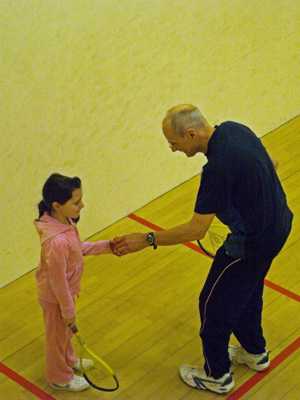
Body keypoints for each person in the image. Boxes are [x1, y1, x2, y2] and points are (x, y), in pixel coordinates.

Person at [112, 104, 293, 394]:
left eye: (174, 142)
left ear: (191, 134)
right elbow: (272, 164)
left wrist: (146, 239)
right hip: (280, 224)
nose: (172, 149)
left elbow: (196, 229)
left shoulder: (216, 169)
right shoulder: (236, 128)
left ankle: (217, 376)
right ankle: (255, 352)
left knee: (212, 305)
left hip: (251, 243)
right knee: (247, 292)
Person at [34, 173, 115, 392]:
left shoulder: (65, 221)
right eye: (76, 202)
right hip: (57, 298)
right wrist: (68, 311)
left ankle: (69, 361)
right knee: (57, 338)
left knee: (64, 334)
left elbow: (78, 248)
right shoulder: (56, 243)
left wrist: (107, 246)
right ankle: (59, 377)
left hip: (66, 294)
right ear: (57, 205)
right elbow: (57, 281)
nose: (83, 205)